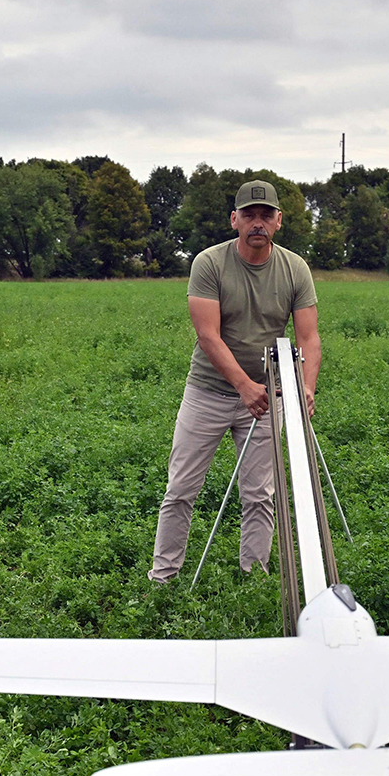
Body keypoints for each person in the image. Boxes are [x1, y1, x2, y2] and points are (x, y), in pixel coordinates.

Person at [148, 179, 320, 581]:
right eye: (249, 215)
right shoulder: (209, 263)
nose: (257, 222)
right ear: (234, 220)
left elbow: (309, 338)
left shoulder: (295, 269)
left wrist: (305, 387)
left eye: (265, 215)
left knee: (260, 494)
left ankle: (253, 579)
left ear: (278, 221)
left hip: (268, 395)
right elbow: (208, 335)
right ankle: (163, 578)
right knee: (180, 489)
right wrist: (244, 386)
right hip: (208, 392)